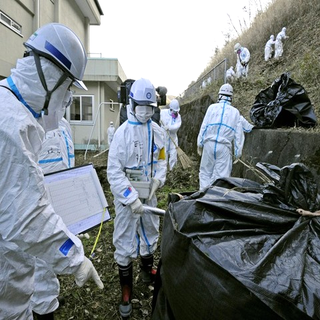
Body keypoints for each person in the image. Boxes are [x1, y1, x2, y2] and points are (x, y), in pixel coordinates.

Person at [0, 23, 103, 320]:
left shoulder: (15, 112)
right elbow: (28, 218)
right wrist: (76, 259)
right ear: (52, 76)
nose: (68, 97)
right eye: (68, 87)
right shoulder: (10, 126)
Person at [107, 78, 167, 318]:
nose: (146, 111)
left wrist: (157, 182)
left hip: (149, 196)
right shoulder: (122, 135)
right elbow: (114, 172)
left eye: (149, 107)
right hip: (126, 201)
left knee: (150, 232)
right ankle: (126, 291)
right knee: (123, 242)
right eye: (141, 106)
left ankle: (146, 269)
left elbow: (161, 160)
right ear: (132, 104)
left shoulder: (158, 132)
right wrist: (131, 198)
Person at [197, 83, 244, 191]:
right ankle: (214, 200)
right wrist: (237, 153)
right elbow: (238, 135)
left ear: (219, 95)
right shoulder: (235, 112)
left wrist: (199, 143)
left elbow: (204, 126)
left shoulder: (211, 108)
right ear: (231, 97)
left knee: (205, 173)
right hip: (224, 147)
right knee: (221, 177)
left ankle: (202, 197)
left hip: (209, 144)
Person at [160, 99, 182, 171]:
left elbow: (177, 127)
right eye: (174, 111)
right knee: (164, 155)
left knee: (173, 155)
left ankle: (173, 171)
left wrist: (169, 128)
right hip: (164, 137)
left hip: (173, 138)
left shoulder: (178, 117)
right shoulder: (163, 113)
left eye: (177, 111)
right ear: (171, 109)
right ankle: (164, 171)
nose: (175, 112)